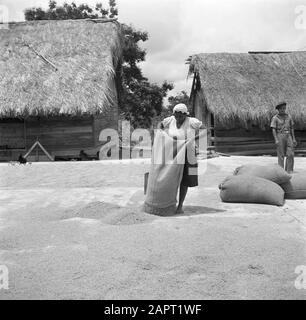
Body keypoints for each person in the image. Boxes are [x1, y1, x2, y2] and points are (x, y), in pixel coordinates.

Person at [160, 103, 203, 213]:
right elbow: (160, 126)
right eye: (176, 116)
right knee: (170, 177)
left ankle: (180, 206)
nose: (178, 118)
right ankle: (168, 203)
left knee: (185, 180)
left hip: (189, 153)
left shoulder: (192, 121)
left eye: (180, 116)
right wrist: (163, 135)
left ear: (185, 115)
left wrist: (193, 139)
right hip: (173, 152)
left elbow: (204, 130)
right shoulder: (170, 120)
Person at [270, 102, 297, 173]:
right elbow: (273, 129)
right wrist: (276, 139)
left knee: (290, 153)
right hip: (280, 135)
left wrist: (293, 138)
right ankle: (281, 171)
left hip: (288, 135)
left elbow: (291, 128)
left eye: (284, 108)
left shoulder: (289, 117)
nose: (283, 110)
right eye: (281, 109)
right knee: (281, 154)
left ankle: (289, 170)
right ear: (278, 109)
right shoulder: (275, 118)